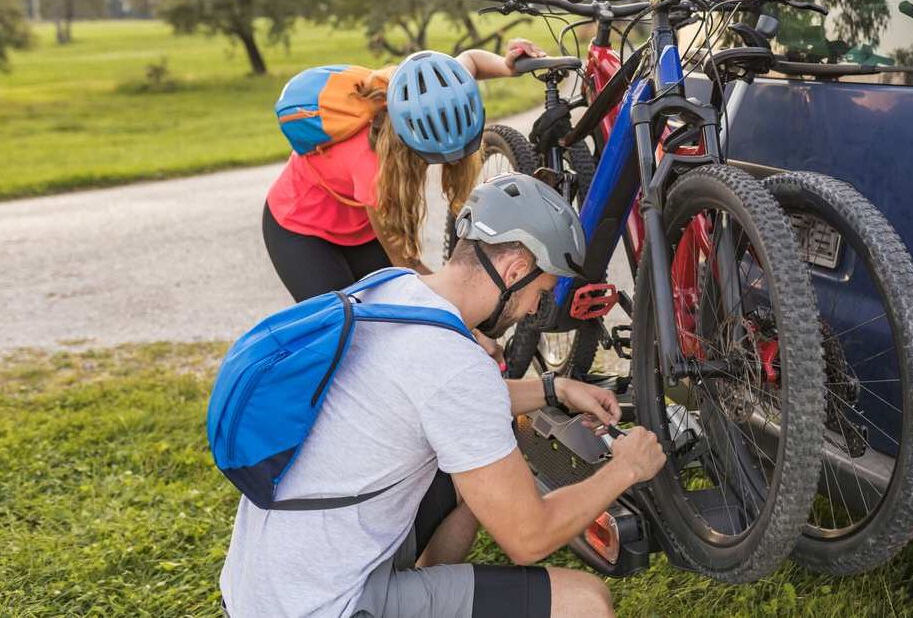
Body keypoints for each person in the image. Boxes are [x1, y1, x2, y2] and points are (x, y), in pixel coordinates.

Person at [221, 173, 667, 618]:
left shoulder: (393, 289)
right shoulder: (453, 366)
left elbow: (447, 400)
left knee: (472, 467)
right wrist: (626, 468)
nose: (535, 309)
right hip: (322, 606)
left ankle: (420, 588)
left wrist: (555, 387)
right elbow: (528, 537)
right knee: (584, 603)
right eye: (541, 292)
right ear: (515, 271)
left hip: (264, 587)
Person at [262, 39, 547, 303]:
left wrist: (506, 66)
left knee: (394, 316)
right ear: (406, 139)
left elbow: (470, 60)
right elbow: (406, 265)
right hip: (301, 229)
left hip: (361, 232)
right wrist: (466, 313)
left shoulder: (432, 87)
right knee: (343, 323)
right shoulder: (371, 167)